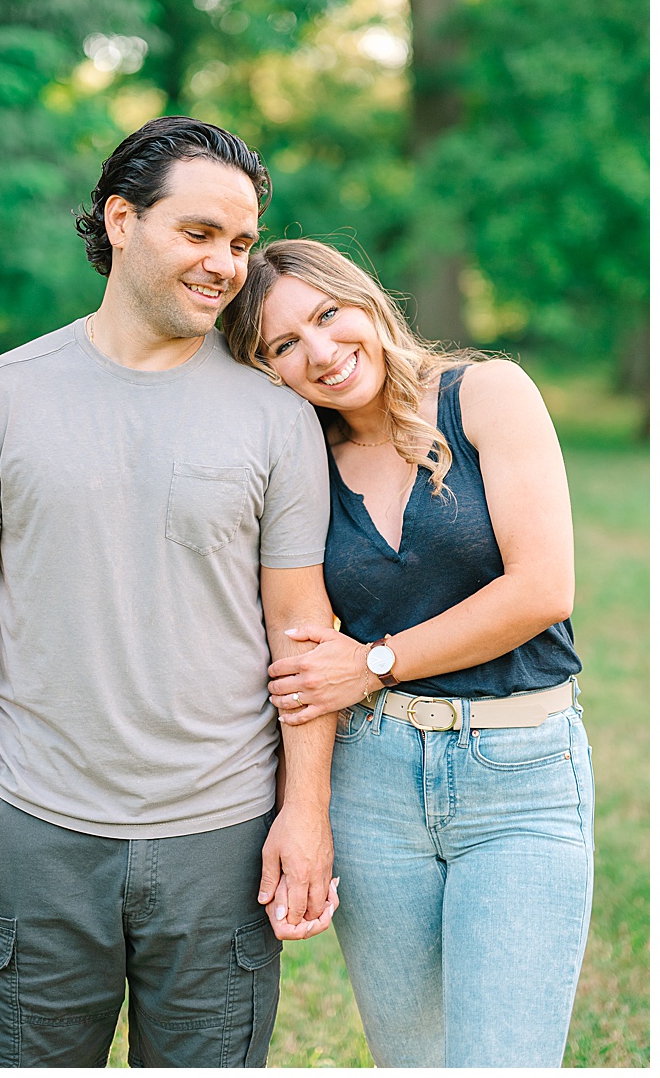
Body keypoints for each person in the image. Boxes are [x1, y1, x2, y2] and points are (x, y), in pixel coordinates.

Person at [0, 117, 341, 1069]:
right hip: (36, 834)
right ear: (120, 220)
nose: (226, 264)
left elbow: (304, 631)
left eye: (239, 243)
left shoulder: (277, 417)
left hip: (222, 845)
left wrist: (302, 809)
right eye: (200, 234)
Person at [222, 238, 592, 1067]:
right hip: (374, 779)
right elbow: (300, 634)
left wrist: (374, 661)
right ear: (266, 368)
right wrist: (305, 803)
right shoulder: (301, 463)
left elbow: (542, 590)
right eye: (282, 345)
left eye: (327, 314)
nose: (319, 351)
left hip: (520, 774)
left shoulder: (487, 395)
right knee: (413, 1059)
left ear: (367, 302)